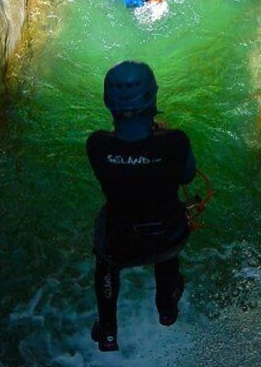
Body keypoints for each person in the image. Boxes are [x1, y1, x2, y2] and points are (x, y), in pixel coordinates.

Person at [86, 61, 196, 352]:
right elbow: (187, 175)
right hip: (167, 237)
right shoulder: (176, 141)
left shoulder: (96, 145)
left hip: (119, 243)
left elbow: (126, 164)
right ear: (152, 96)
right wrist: (161, 137)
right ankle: (167, 307)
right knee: (167, 221)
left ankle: (108, 330)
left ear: (109, 102)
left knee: (106, 241)